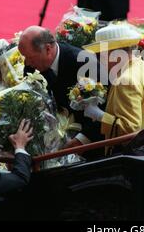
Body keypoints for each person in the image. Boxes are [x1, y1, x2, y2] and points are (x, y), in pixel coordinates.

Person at [82, 23, 144, 153]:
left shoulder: (125, 80)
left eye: (101, 55)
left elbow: (129, 131)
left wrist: (99, 115)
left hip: (138, 156)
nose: (100, 61)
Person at [18, 26, 102, 154]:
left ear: (47, 49)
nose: (27, 63)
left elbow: (104, 107)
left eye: (30, 57)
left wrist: (80, 141)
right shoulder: (31, 68)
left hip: (90, 143)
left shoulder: (84, 63)